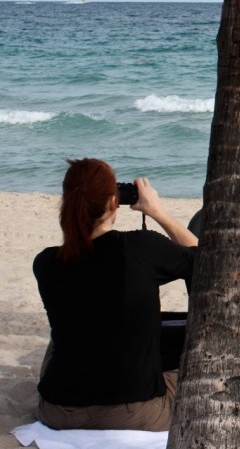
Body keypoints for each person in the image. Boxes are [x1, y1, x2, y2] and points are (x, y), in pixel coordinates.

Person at [33, 158, 197, 431]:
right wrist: (158, 211)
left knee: (63, 335)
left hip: (58, 411)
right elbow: (207, 260)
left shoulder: (46, 263)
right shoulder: (140, 248)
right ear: (113, 202)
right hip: (134, 413)